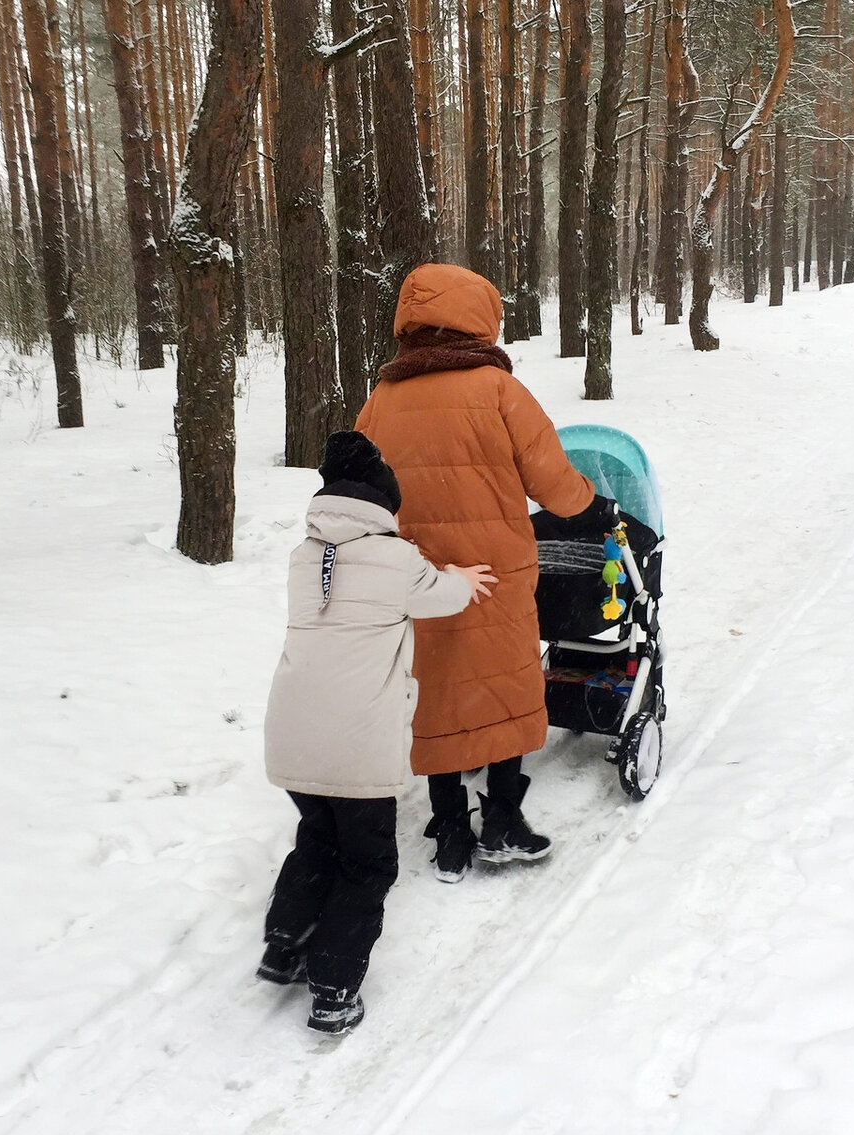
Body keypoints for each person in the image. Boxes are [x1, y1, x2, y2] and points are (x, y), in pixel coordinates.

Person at [355, 263, 619, 883]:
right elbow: (553, 483)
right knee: (504, 685)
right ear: (477, 320)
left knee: (438, 692)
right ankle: (501, 818)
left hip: (417, 578)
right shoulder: (497, 390)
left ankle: (449, 826)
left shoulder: (381, 400)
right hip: (495, 572)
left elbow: (361, 490)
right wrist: (593, 506)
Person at [260, 431, 495, 1034]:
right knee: (366, 864)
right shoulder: (396, 558)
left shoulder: (303, 555)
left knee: (317, 836)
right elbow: (442, 597)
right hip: (358, 742)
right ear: (383, 503)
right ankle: (335, 988)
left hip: (292, 732)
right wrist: (465, 577)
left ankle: (285, 943)